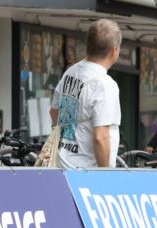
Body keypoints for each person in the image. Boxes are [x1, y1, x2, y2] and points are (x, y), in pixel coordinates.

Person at [50, 19, 122, 168]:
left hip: (62, 164)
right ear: (114, 50)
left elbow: (54, 111)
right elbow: (101, 137)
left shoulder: (71, 72)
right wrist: (105, 176)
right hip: (86, 173)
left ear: (88, 46)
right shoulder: (104, 84)